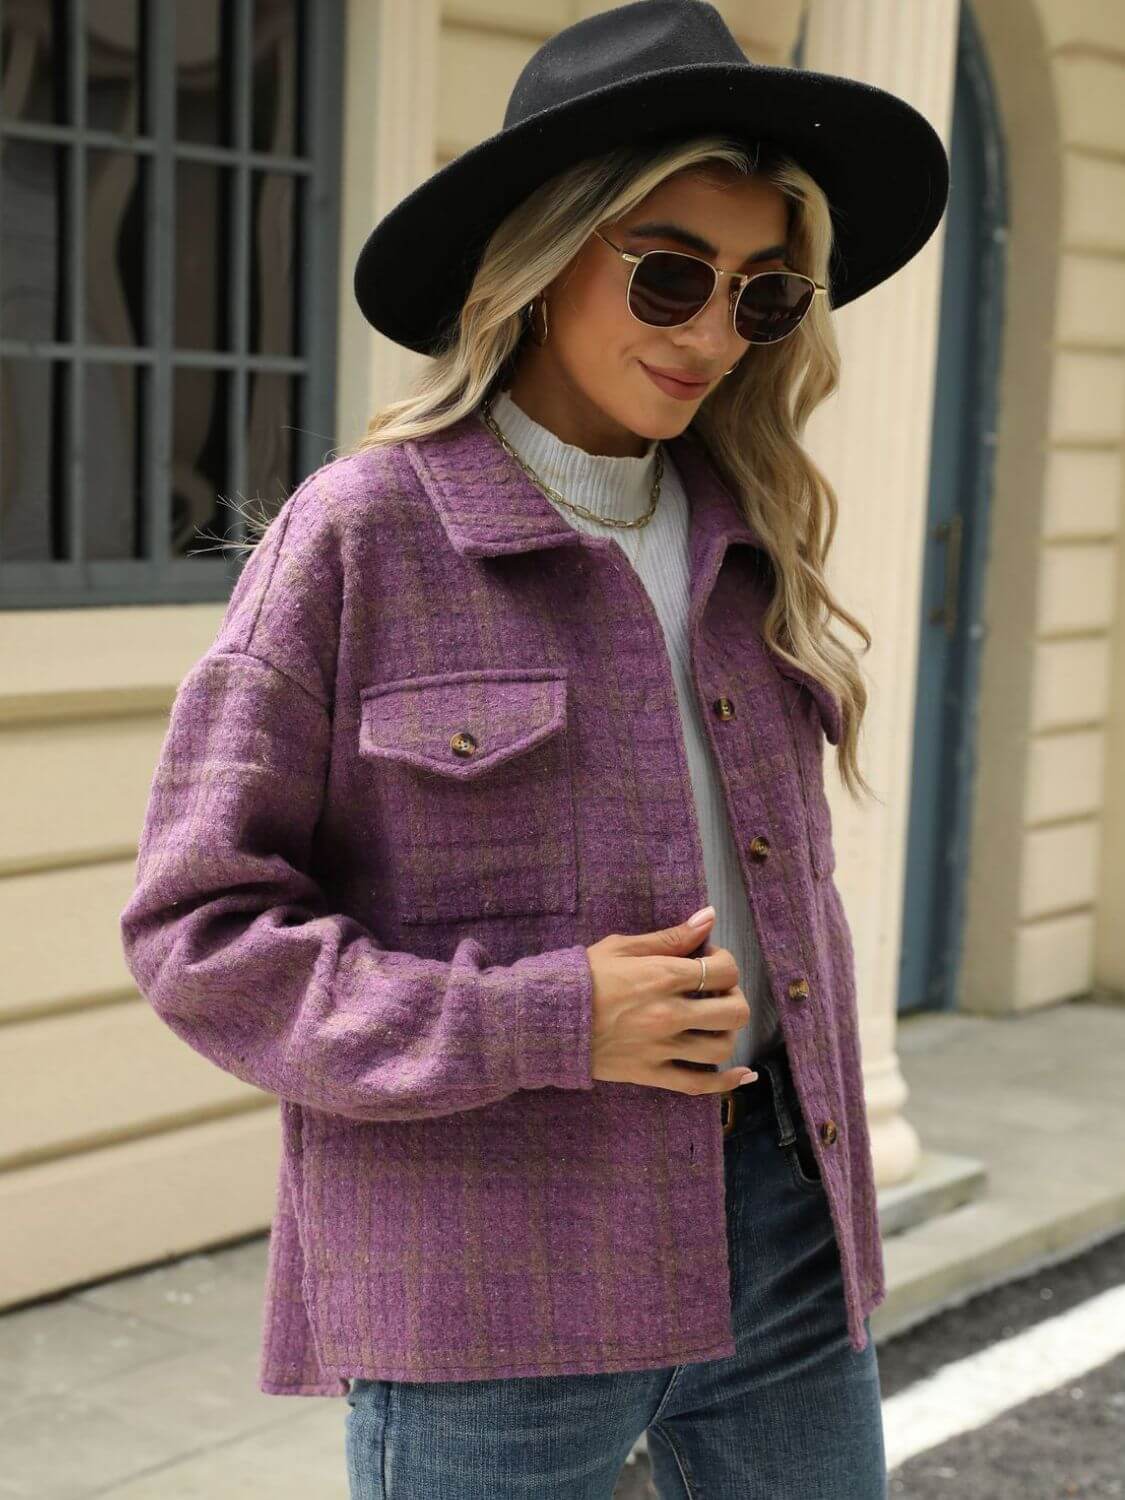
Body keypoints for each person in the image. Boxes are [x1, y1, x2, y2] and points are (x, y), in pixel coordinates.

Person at [120, 3, 948, 1496]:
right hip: (490, 1271)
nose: (708, 336)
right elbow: (200, 933)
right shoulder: (363, 535)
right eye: (667, 274)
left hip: (778, 1226)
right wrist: (547, 1017)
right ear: (546, 254)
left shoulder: (743, 530)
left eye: (759, 297)